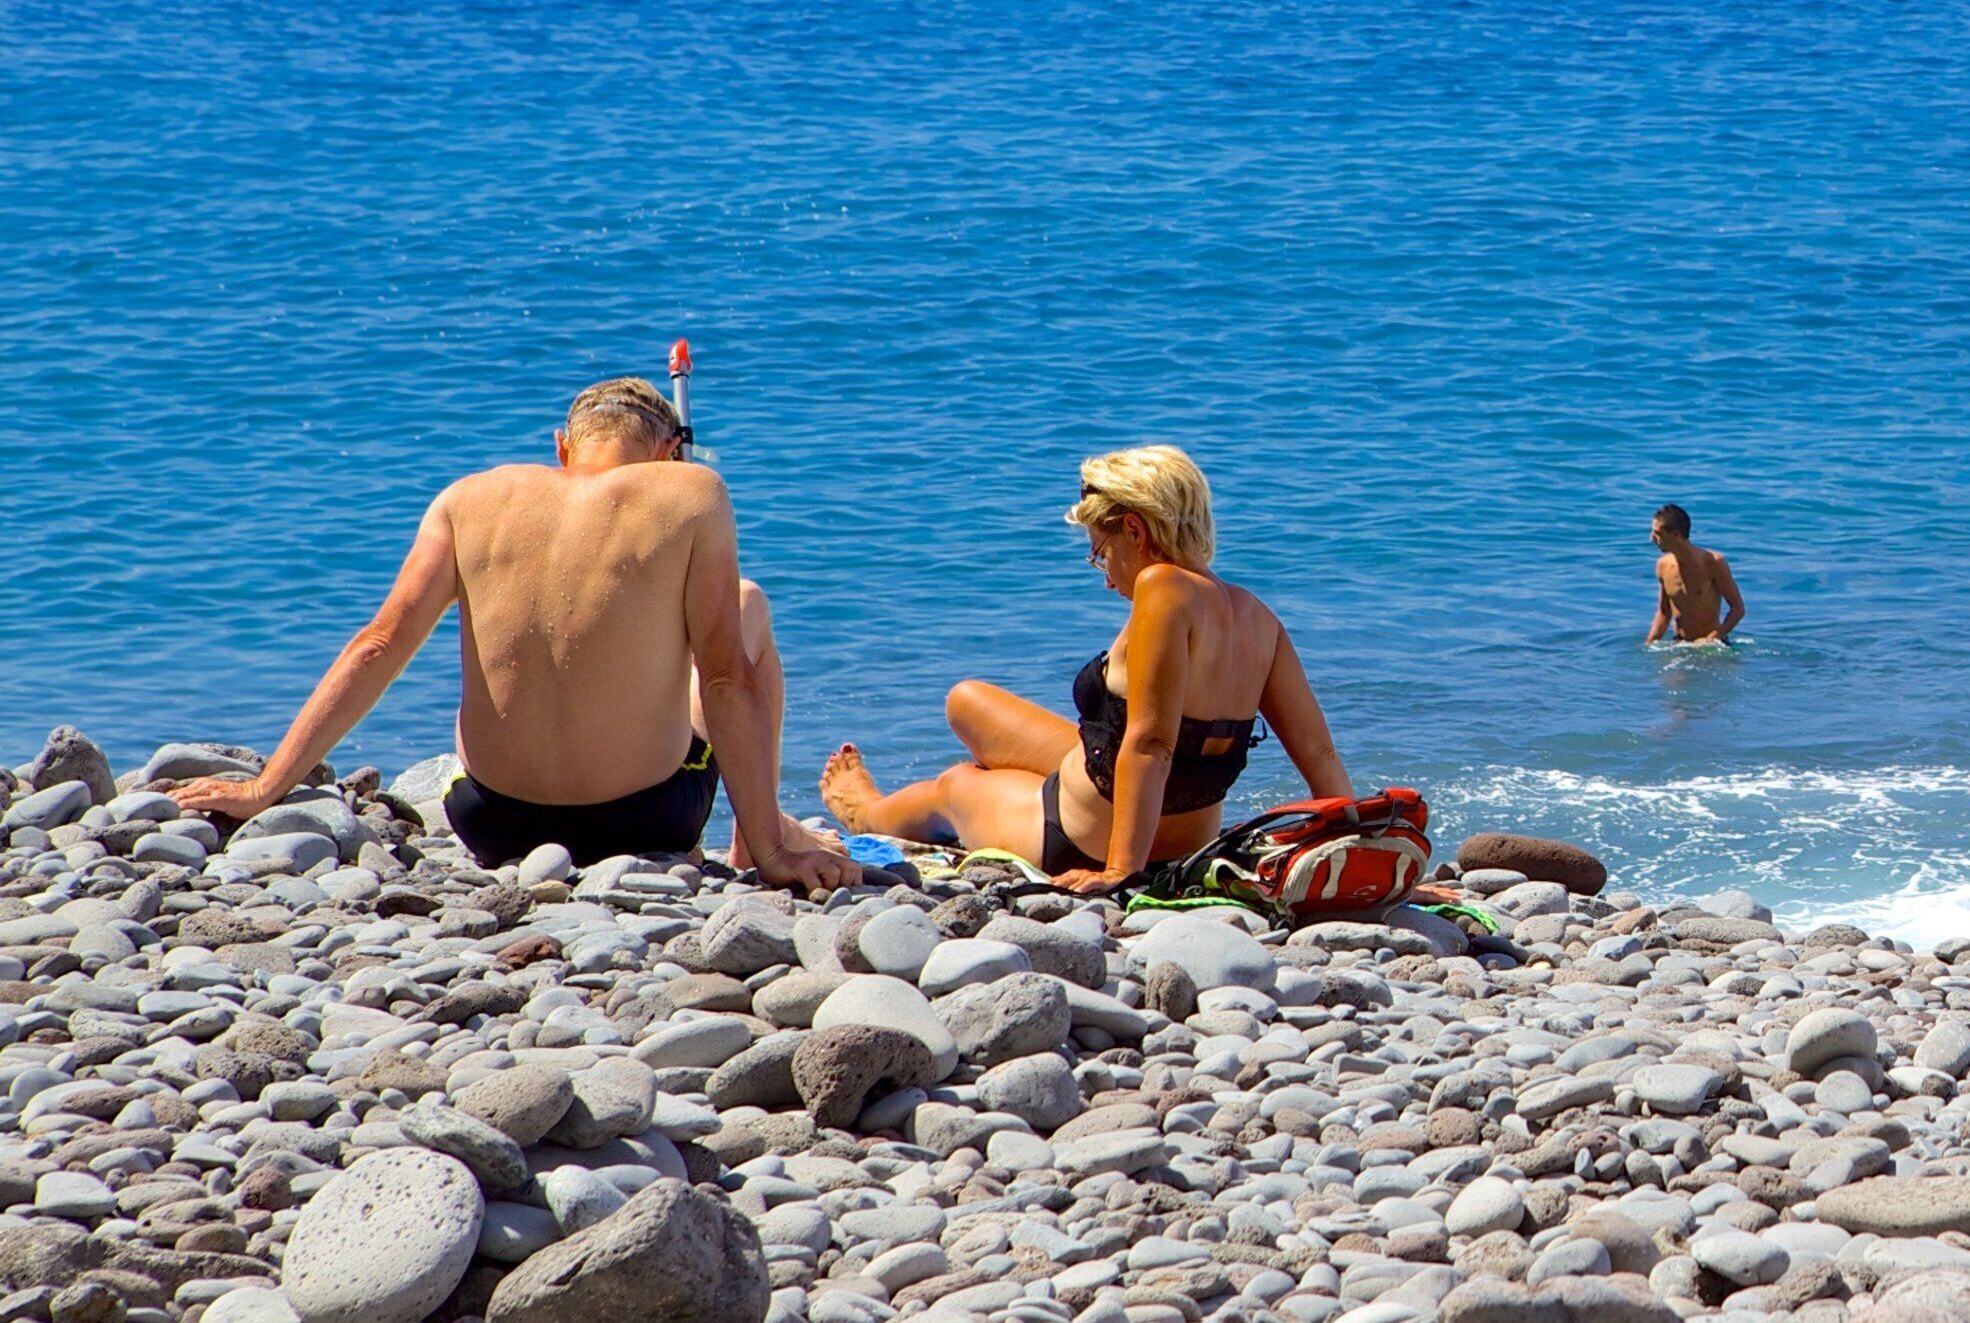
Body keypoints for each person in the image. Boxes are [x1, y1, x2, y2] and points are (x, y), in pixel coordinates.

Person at [172, 378, 850, 887]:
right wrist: (774, 857)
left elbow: (376, 646)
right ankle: (755, 839)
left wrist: (264, 789)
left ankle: (759, 832)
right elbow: (727, 678)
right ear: (669, 453)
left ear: (563, 447)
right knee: (745, 606)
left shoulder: (469, 497)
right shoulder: (691, 491)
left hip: (492, 820)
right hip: (647, 819)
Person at [821, 446, 1348, 891]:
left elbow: (1151, 746)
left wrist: (1122, 870)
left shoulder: (1161, 589)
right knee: (967, 702)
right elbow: (1318, 753)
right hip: (1181, 828)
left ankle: (864, 811)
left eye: (1101, 551)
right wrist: (1357, 838)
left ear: (1136, 531)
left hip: (1080, 836)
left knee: (956, 786)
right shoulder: (1258, 617)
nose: (1104, 575)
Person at [1642, 504, 1743, 646]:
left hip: (1712, 646)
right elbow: (1664, 612)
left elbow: (1738, 608)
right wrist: (1649, 643)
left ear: (1676, 535)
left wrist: (1713, 638)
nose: (1651, 538)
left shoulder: (1713, 562)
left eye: (1658, 534)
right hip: (1680, 644)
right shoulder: (1663, 565)